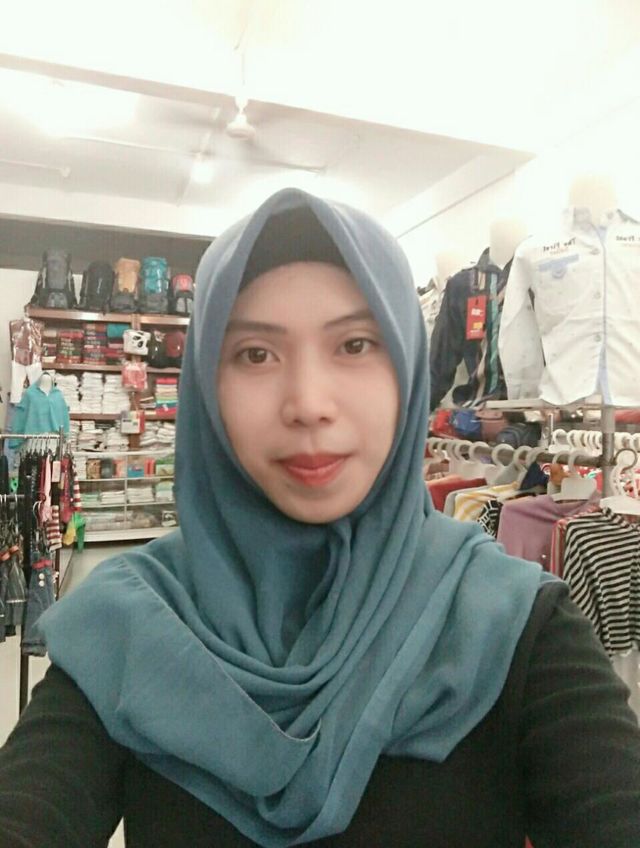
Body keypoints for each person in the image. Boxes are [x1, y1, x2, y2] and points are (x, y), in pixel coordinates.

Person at [0, 189, 639, 848]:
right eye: (255, 354)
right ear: (206, 387)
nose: (308, 403)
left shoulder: (513, 623)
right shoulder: (125, 624)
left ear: (408, 372)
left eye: (355, 344)